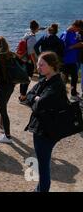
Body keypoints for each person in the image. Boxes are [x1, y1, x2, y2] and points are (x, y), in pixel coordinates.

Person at [24, 52, 69, 192]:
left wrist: (36, 100)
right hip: (42, 127)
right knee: (42, 162)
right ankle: (40, 189)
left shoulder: (56, 85)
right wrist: (35, 99)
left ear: (52, 65)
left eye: (42, 64)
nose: (38, 67)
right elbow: (29, 95)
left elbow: (39, 104)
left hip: (47, 130)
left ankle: (42, 190)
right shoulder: (45, 80)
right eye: (38, 64)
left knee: (43, 164)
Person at [60, 20, 83, 100]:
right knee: (68, 79)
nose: (79, 31)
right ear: (75, 26)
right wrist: (76, 45)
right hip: (67, 60)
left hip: (71, 60)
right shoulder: (68, 34)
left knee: (73, 77)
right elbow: (64, 48)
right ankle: (64, 96)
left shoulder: (71, 33)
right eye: (79, 29)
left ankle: (71, 94)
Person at [18, 20, 40, 105]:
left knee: (23, 79)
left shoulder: (27, 34)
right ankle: (23, 98)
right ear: (36, 28)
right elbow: (31, 53)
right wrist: (35, 64)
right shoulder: (32, 38)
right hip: (29, 62)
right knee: (27, 79)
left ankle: (21, 95)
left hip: (23, 60)